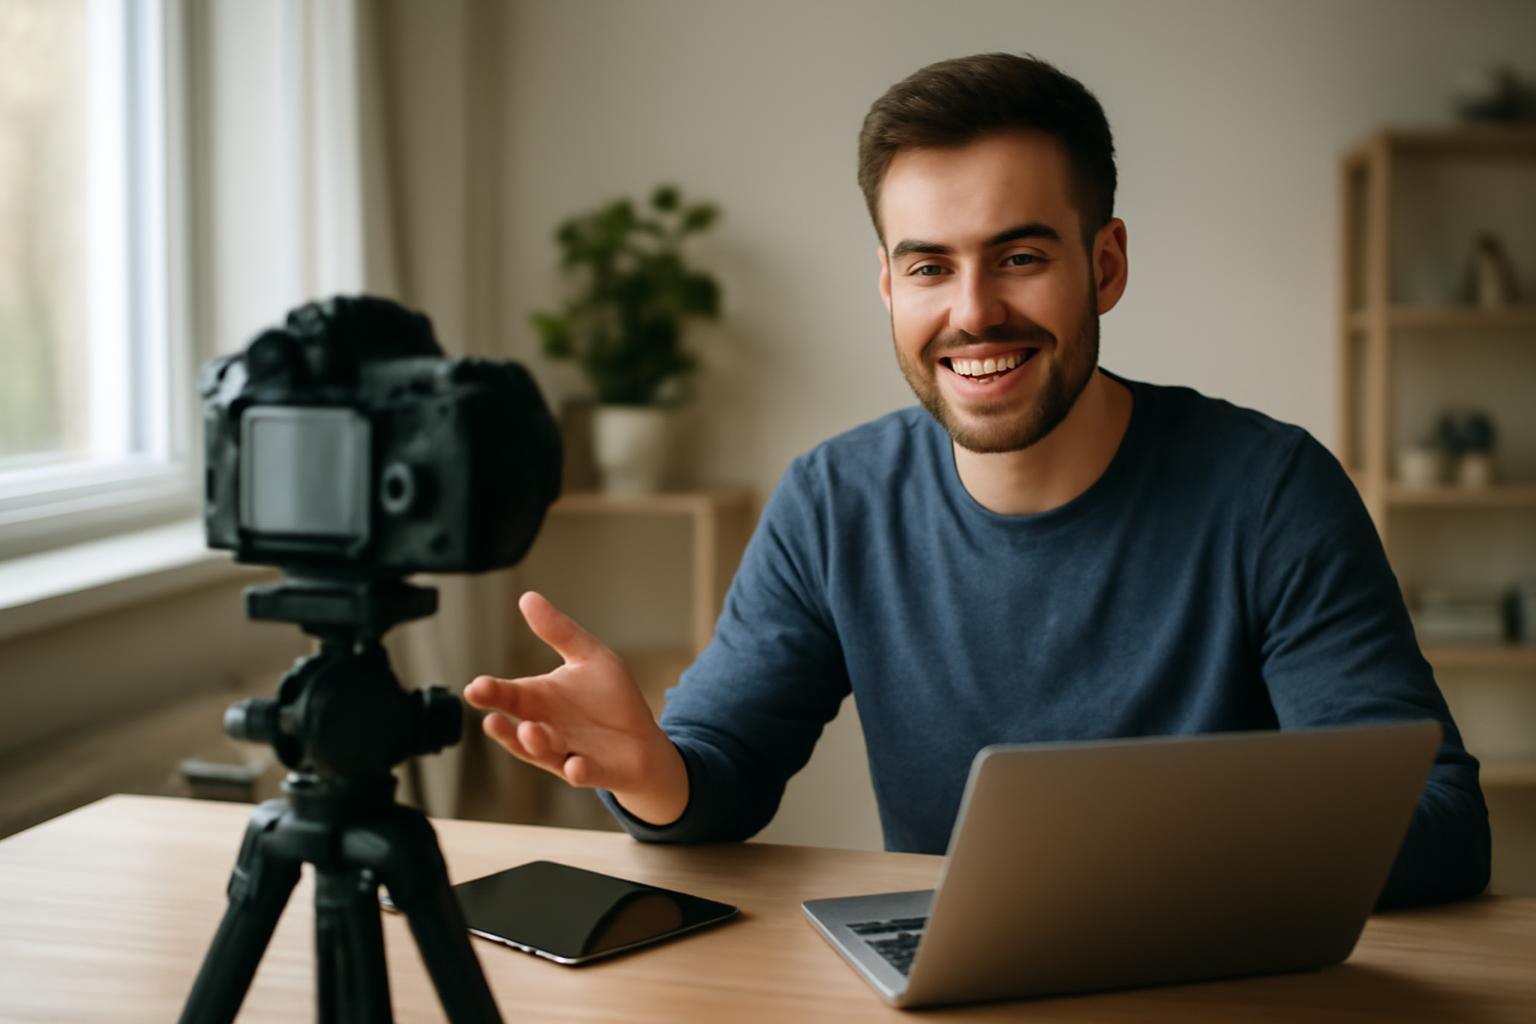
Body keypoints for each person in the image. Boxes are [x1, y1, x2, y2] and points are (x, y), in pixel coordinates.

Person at [465, 52, 1490, 908]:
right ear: (887, 285)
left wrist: (1156, 861)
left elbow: (1438, 821)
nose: (973, 311)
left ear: (1107, 264)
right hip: (959, 994)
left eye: (1020, 256)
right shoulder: (834, 501)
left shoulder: (1272, 492)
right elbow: (721, 773)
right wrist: (652, 770)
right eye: (928, 267)